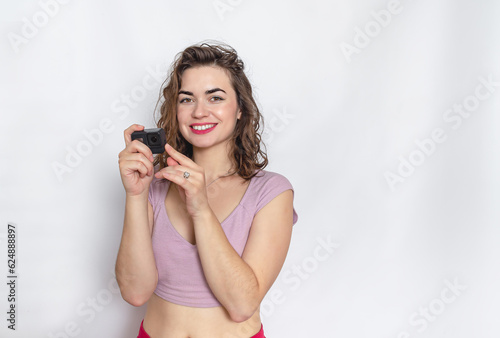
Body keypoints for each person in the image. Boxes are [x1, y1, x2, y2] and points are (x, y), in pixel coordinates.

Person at [116, 42, 298, 338]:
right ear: (175, 110)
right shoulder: (155, 186)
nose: (200, 111)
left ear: (240, 109)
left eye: (215, 98)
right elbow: (135, 292)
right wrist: (136, 195)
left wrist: (200, 207)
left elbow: (241, 305)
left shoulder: (271, 192)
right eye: (186, 100)